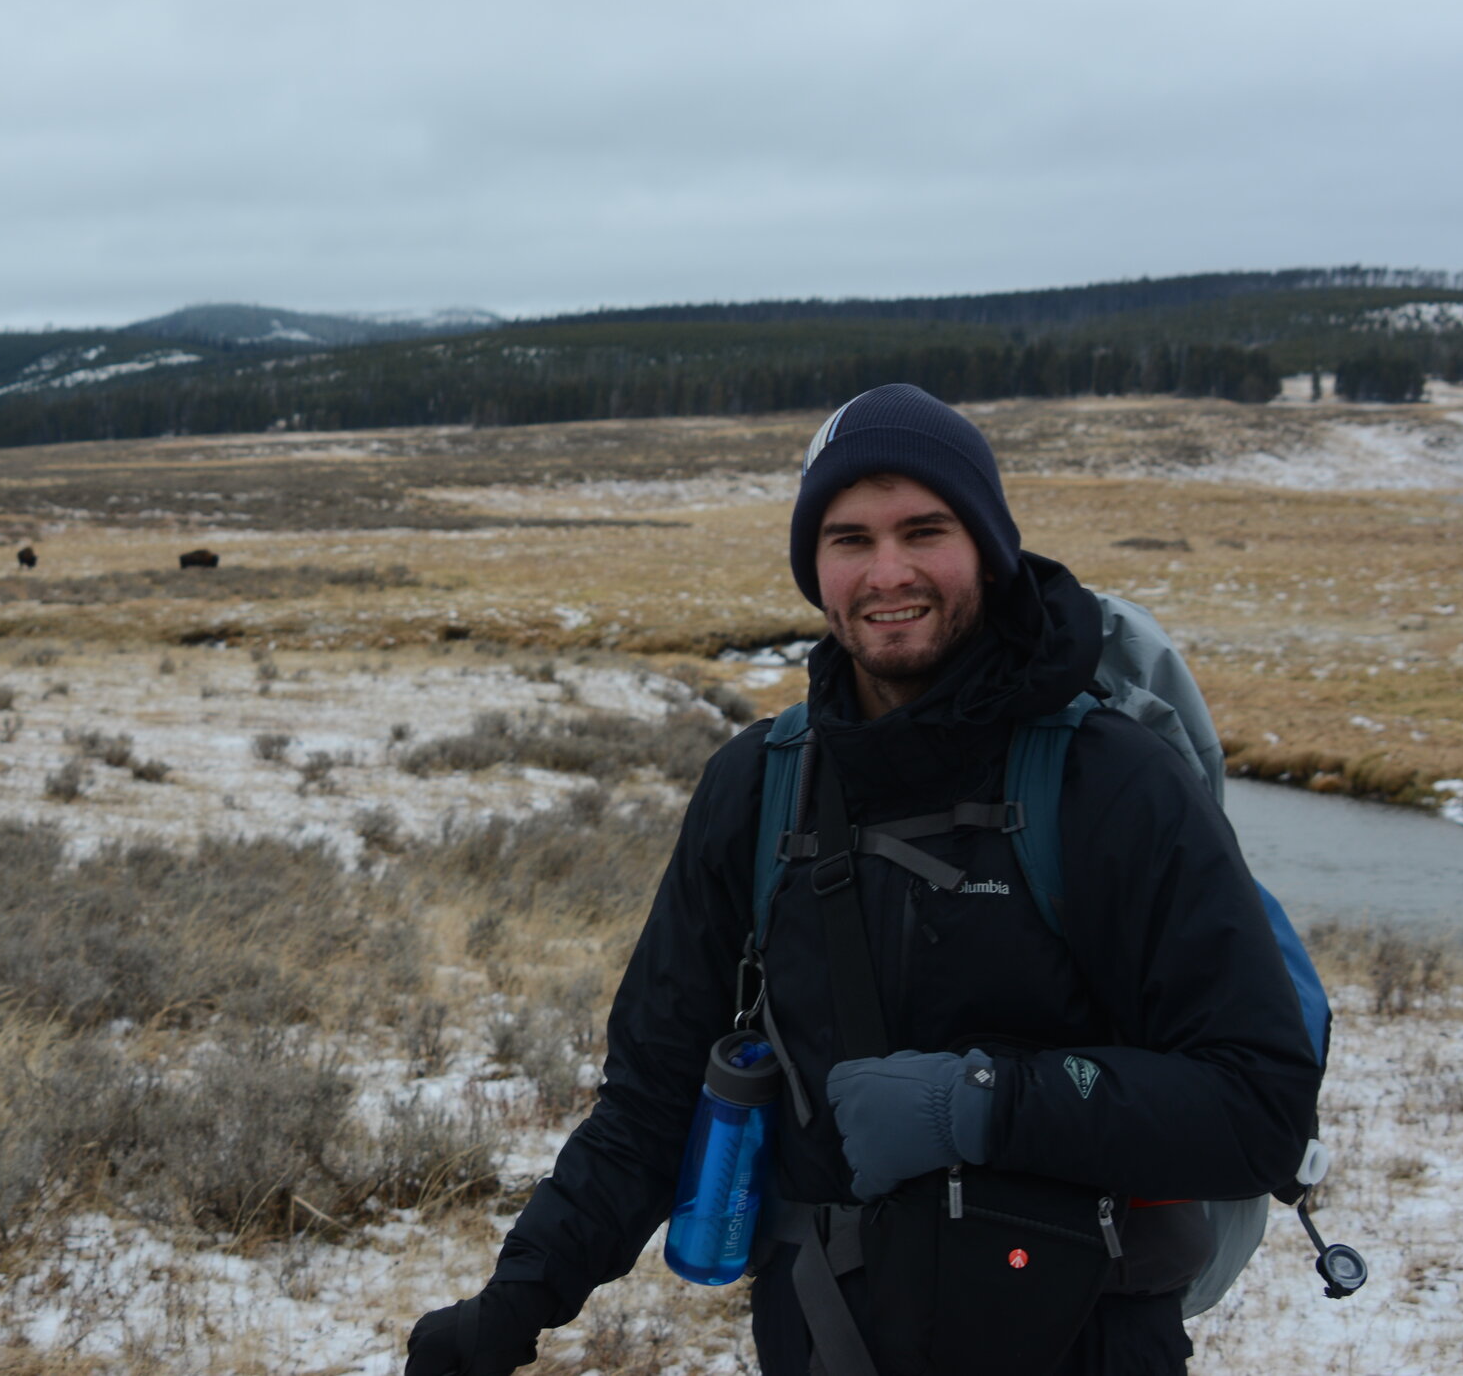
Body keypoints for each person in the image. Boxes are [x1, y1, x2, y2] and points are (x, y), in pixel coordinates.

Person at [405, 384, 1321, 1376]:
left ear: (987, 545)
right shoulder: (758, 787)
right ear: (815, 569)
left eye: (923, 529)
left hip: (1083, 1340)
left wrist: (978, 1102)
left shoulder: (1111, 782)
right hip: (824, 1338)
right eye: (848, 539)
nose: (887, 572)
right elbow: (650, 1099)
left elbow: (1259, 1107)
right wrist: (515, 1301)